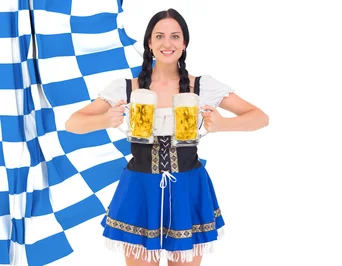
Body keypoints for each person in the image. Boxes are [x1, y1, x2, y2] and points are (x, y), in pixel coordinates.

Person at [65, 8, 268, 266]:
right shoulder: (128, 87)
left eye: (175, 36)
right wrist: (105, 120)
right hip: (139, 189)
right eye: (159, 36)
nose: (167, 43)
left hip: (187, 188)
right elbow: (73, 123)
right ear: (149, 43)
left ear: (184, 43)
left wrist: (222, 124)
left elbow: (260, 117)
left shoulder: (202, 86)